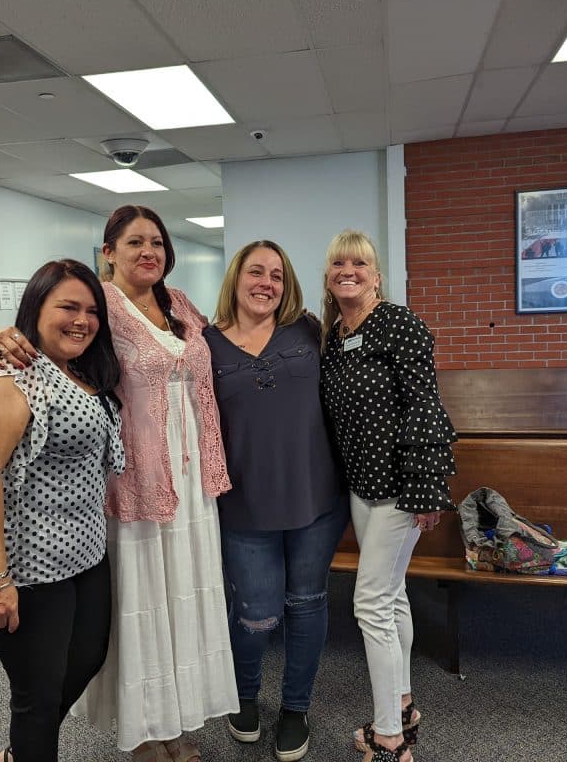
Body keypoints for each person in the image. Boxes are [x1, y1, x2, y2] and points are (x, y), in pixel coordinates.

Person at [0, 205, 236, 762]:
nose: (149, 251)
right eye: (134, 242)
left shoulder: (180, 305)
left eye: (157, 242)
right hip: (138, 482)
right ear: (109, 252)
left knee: (185, 600)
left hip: (193, 481)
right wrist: (4, 337)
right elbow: (53, 343)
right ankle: (146, 733)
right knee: (146, 602)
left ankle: (174, 725)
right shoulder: (100, 308)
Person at [0, 259, 125, 762]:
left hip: (83, 555)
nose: (82, 320)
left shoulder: (80, 368)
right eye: (68, 307)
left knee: (87, 660)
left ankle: (21, 752)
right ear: (36, 308)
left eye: (91, 311)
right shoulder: (8, 373)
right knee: (36, 696)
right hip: (25, 568)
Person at [203, 241, 348, 762]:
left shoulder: (309, 330)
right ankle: (242, 695)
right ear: (235, 279)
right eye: (256, 272)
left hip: (316, 501)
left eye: (277, 276)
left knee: (306, 606)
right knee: (255, 613)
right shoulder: (204, 344)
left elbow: (364, 326)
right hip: (246, 506)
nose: (266, 283)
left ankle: (295, 707)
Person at [318, 230, 457, 762]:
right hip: (362, 486)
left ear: (376, 276)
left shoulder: (399, 324)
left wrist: (428, 489)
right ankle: (402, 703)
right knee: (392, 595)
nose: (347, 269)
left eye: (360, 263)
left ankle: (388, 737)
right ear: (329, 276)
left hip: (402, 486)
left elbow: (425, 405)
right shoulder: (335, 334)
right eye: (338, 262)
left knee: (370, 603)